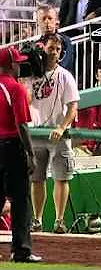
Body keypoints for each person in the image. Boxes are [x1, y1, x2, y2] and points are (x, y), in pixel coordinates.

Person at [28, 34, 80, 234]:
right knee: (36, 178)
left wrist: (62, 127)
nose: (54, 53)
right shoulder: (32, 74)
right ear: (42, 49)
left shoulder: (65, 75)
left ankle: (59, 220)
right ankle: (37, 219)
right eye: (51, 48)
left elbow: (73, 107)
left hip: (58, 133)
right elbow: (26, 100)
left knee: (61, 177)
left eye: (58, 50)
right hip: (36, 131)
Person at [0, 46, 42, 262]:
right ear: (10, 65)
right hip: (11, 146)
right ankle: (21, 251)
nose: (20, 65)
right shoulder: (15, 88)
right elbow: (21, 125)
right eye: (17, 62)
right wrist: (30, 153)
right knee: (20, 200)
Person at [36, 5, 75, 74]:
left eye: (50, 18)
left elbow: (65, 64)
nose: (47, 22)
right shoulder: (36, 44)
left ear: (56, 20)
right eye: (43, 19)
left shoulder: (65, 41)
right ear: (37, 21)